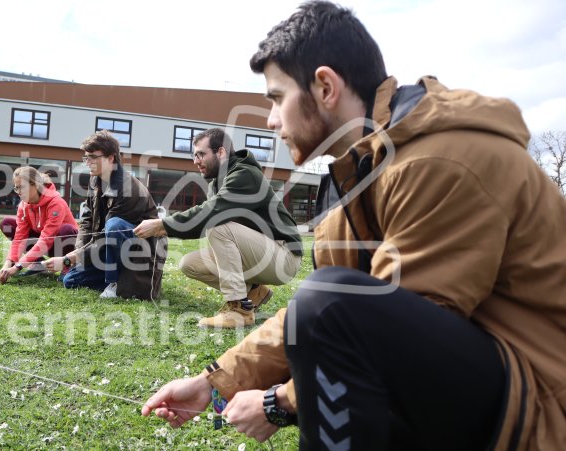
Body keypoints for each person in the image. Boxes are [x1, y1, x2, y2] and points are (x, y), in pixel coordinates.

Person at [143, 2, 566, 450]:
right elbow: (322, 324)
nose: (270, 120)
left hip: (538, 409)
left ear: (325, 86)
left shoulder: (443, 160)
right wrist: (214, 383)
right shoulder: (355, 180)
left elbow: (383, 332)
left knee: (327, 301)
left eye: (276, 98)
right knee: (324, 305)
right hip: (470, 390)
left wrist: (279, 402)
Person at [134, 128, 303, 328]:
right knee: (189, 263)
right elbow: (204, 218)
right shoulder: (217, 182)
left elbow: (211, 213)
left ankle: (239, 309)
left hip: (284, 257)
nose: (195, 161)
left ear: (221, 152)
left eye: (201, 154)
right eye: (194, 155)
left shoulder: (245, 175)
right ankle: (254, 292)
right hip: (260, 255)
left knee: (218, 226)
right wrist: (164, 227)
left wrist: (162, 225)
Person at [44, 130, 164, 299]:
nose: (88, 162)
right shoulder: (95, 181)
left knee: (114, 225)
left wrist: (69, 259)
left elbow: (110, 235)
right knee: (70, 280)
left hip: (139, 254)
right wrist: (79, 255)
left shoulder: (129, 189)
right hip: (106, 250)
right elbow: (86, 222)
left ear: (111, 158)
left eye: (93, 157)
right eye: (86, 157)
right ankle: (121, 282)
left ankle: (115, 281)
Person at [0, 166, 78, 284]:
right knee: (7, 223)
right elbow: (19, 238)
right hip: (42, 242)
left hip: (60, 243)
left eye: (22, 187)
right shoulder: (23, 205)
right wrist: (7, 264)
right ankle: (37, 264)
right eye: (16, 188)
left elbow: (46, 240)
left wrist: (17, 267)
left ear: (35, 185)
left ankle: (67, 265)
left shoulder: (56, 202)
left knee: (67, 229)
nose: (19, 192)